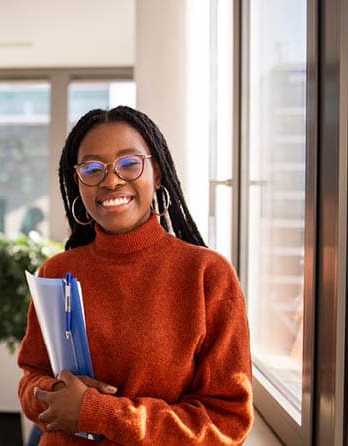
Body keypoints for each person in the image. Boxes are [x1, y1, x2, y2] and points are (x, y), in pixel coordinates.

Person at [17, 106, 253, 445]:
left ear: (156, 173)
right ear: (78, 183)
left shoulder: (207, 274)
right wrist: (55, 394)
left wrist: (99, 412)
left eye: (129, 164)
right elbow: (31, 379)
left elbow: (226, 422)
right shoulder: (57, 271)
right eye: (92, 168)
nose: (111, 180)